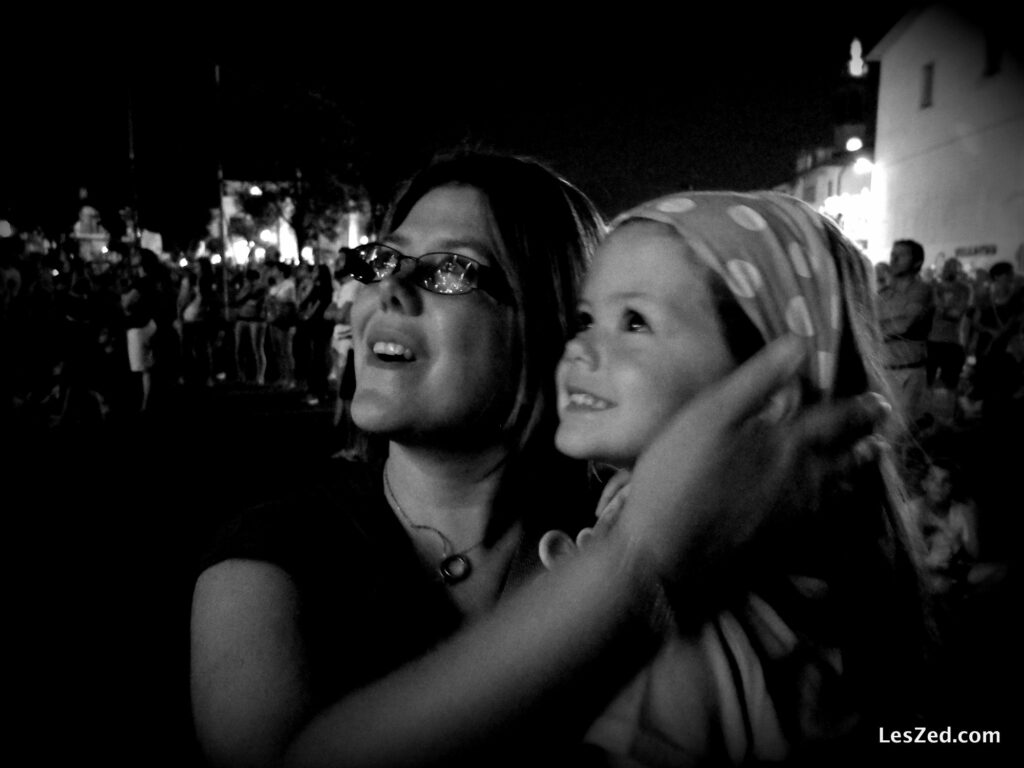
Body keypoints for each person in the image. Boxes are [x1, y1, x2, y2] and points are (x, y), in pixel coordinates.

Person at [190, 151, 893, 767]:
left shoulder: (620, 522)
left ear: (550, 323)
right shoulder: (275, 550)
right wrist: (636, 567)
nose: (388, 291)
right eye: (381, 260)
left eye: (451, 270)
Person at [543, 191, 926, 765]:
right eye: (586, 318)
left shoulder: (689, 643)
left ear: (767, 392)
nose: (578, 348)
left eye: (635, 321)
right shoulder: (637, 523)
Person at [877, 239, 933, 428]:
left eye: (901, 254)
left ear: (917, 262)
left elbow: (904, 325)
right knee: (882, 431)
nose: (894, 258)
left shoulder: (921, 290)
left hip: (908, 371)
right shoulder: (883, 294)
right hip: (884, 370)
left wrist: (878, 328)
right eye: (893, 253)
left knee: (899, 433)